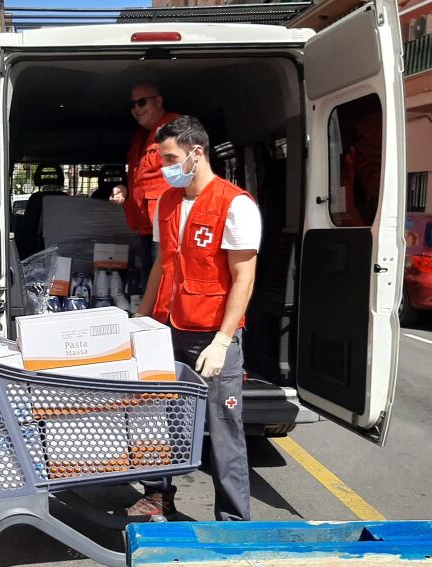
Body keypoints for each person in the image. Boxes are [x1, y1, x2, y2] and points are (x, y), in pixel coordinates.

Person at [130, 115, 260, 523]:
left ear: (196, 153)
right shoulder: (167, 201)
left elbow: (244, 275)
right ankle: (158, 496)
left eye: (170, 157)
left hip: (210, 336)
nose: (164, 167)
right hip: (167, 328)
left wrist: (223, 340)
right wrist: (141, 316)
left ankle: (234, 522)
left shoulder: (234, 203)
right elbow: (160, 266)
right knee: (159, 418)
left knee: (224, 430)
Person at [123, 82, 181, 289]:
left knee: (164, 283)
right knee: (151, 283)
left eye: (141, 102)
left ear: (158, 101)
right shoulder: (141, 135)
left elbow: (190, 174)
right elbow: (144, 178)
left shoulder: (176, 128)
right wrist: (125, 191)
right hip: (147, 225)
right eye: (132, 105)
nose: (136, 109)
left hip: (168, 224)